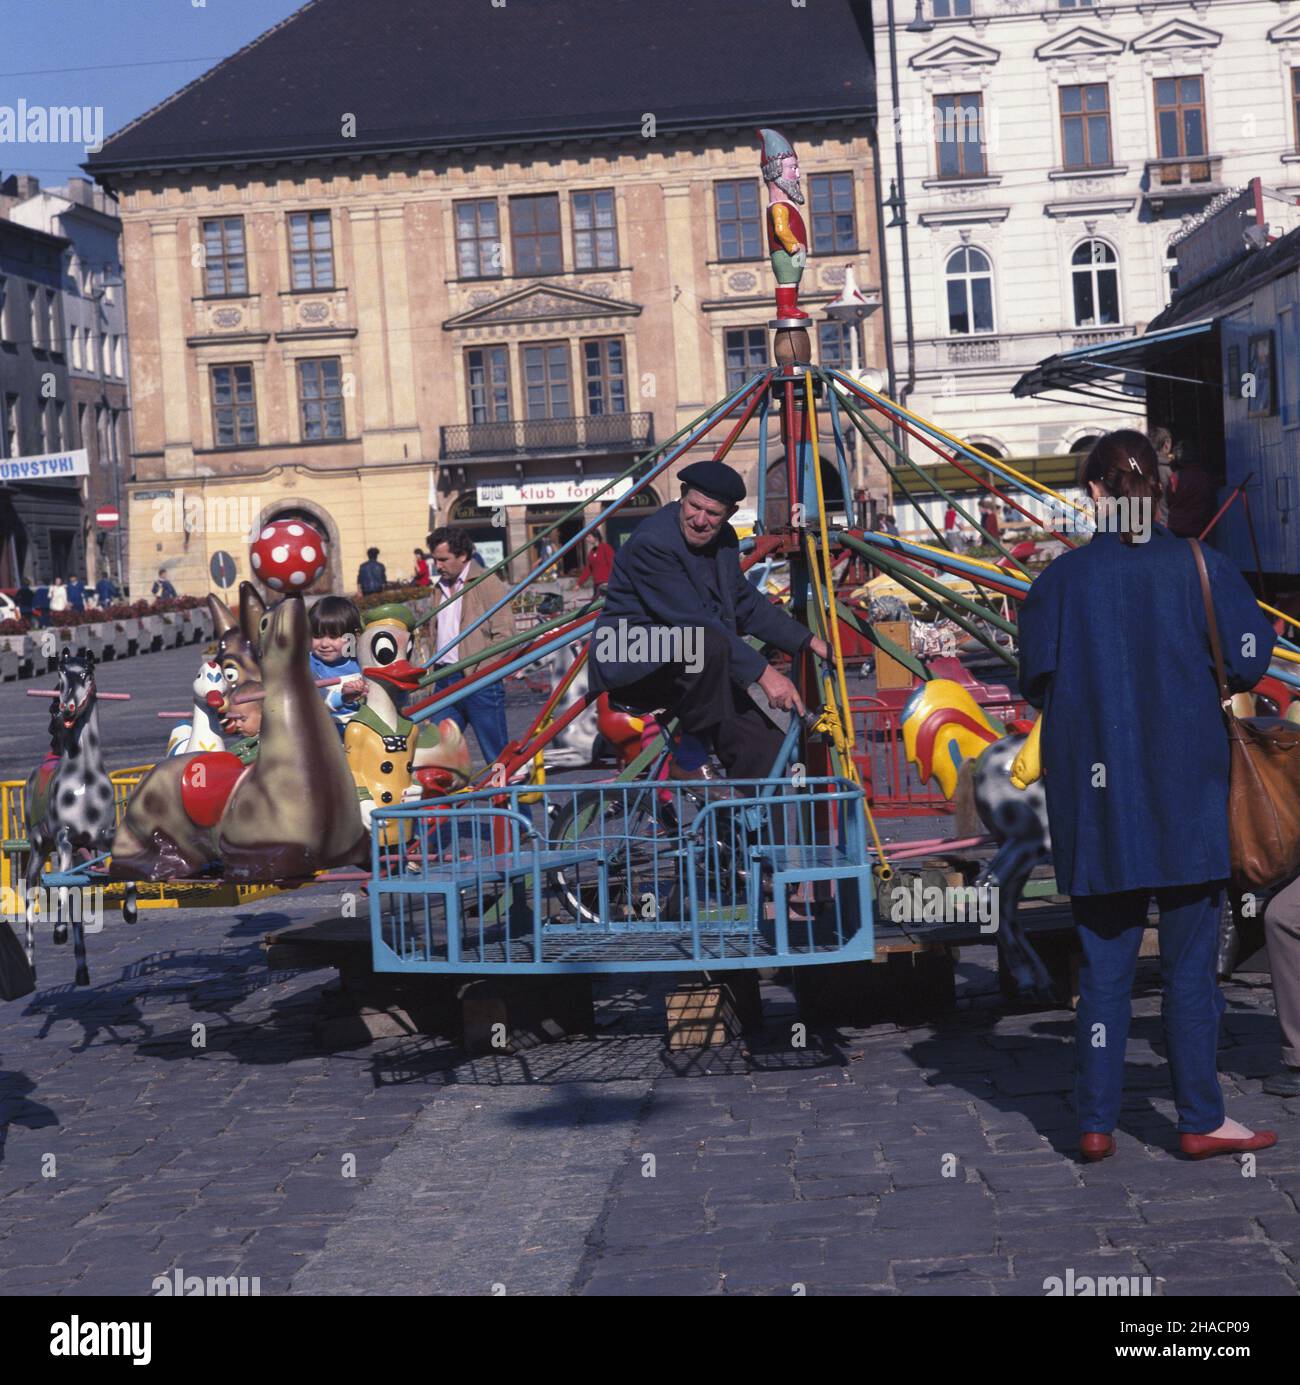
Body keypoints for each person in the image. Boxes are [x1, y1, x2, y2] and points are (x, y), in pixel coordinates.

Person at [1018, 430, 1278, 1162]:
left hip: (1099, 811)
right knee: (1192, 971)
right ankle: (1199, 1116)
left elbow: (1036, 679)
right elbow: (1252, 659)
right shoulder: (1203, 563)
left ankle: (1096, 1121)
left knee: (1104, 973)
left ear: (1095, 495)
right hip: (1188, 798)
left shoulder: (1058, 584)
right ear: (1159, 490)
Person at [587, 460, 829, 782]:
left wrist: (809, 641)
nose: (700, 520)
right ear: (683, 496)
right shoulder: (654, 542)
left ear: (728, 514)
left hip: (691, 663)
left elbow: (744, 602)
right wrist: (765, 674)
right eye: (694, 507)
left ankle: (743, 827)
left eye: (712, 514)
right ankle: (689, 758)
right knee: (707, 641)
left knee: (762, 747)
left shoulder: (724, 539)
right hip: (627, 651)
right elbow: (692, 620)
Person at [427, 525, 511, 765]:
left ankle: (516, 804)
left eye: (444, 559)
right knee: (437, 755)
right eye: (435, 560)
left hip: (479, 680)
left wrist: (483, 669)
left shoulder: (485, 582)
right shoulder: (438, 588)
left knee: (496, 756)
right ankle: (442, 804)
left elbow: (506, 634)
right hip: (444, 678)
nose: (438, 566)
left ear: (463, 556)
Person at [309, 595, 366, 733]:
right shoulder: (308, 665)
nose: (324, 644)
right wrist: (343, 697)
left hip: (364, 726)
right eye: (317, 636)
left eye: (333, 636)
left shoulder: (362, 660)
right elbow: (316, 702)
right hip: (327, 731)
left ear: (354, 636)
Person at [1166, 443, 1220, 539]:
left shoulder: (1175, 476)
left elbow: (1169, 500)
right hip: (1201, 527)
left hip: (1176, 528)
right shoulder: (1205, 476)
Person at [222, 681, 263, 764]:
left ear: (264, 716)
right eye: (235, 719)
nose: (237, 724)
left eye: (243, 719)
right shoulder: (246, 742)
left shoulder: (267, 745)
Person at [575, 529, 615, 595]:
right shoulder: (591, 552)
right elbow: (588, 569)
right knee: (594, 603)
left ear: (596, 537)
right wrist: (579, 584)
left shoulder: (606, 548)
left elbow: (612, 565)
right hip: (597, 584)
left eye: (589, 537)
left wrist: (610, 581)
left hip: (606, 584)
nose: (587, 539)